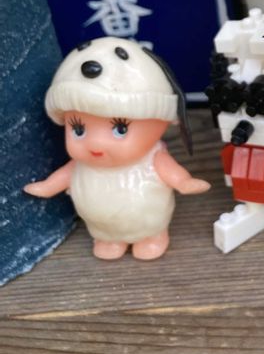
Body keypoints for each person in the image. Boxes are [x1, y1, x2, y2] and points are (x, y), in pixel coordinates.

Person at [25, 37, 209, 260]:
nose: (95, 144)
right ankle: (109, 239)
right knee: (105, 236)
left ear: (159, 126)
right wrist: (47, 187)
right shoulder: (81, 165)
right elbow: (64, 176)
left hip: (147, 219)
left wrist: (184, 182)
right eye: (79, 130)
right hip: (100, 224)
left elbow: (172, 173)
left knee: (150, 228)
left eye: (120, 129)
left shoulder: (154, 158)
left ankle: (153, 237)